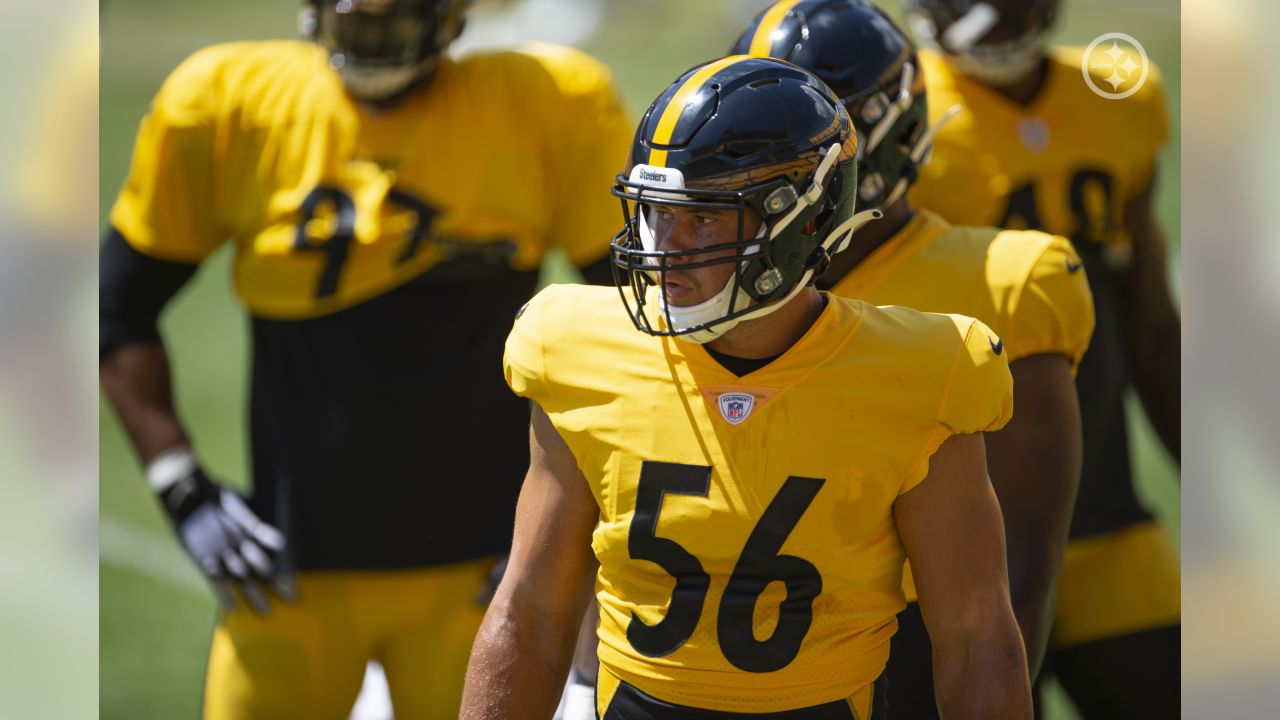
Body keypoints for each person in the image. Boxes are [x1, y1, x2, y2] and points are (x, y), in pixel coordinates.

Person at [98, 0, 631, 717]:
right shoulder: (229, 104)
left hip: (480, 580)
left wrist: (561, 536)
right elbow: (116, 305)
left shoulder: (546, 103)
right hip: (291, 578)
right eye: (358, 18)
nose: (374, 39)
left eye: (394, 20)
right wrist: (179, 482)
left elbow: (641, 327)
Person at [460, 55, 1032, 719]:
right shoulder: (577, 348)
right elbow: (529, 612)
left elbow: (975, 639)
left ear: (803, 222)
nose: (665, 247)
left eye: (701, 218)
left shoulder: (924, 373)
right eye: (655, 212)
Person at [732, 1, 1095, 715]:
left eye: (820, 130)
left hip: (909, 660)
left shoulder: (1004, 285)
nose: (788, 154)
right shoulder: (717, 280)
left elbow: (1015, 572)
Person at [901, 0, 1181, 715]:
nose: (993, 22)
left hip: (1106, 506)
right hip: (955, 539)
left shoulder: (1120, 92)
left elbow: (1150, 323)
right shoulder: (899, 113)